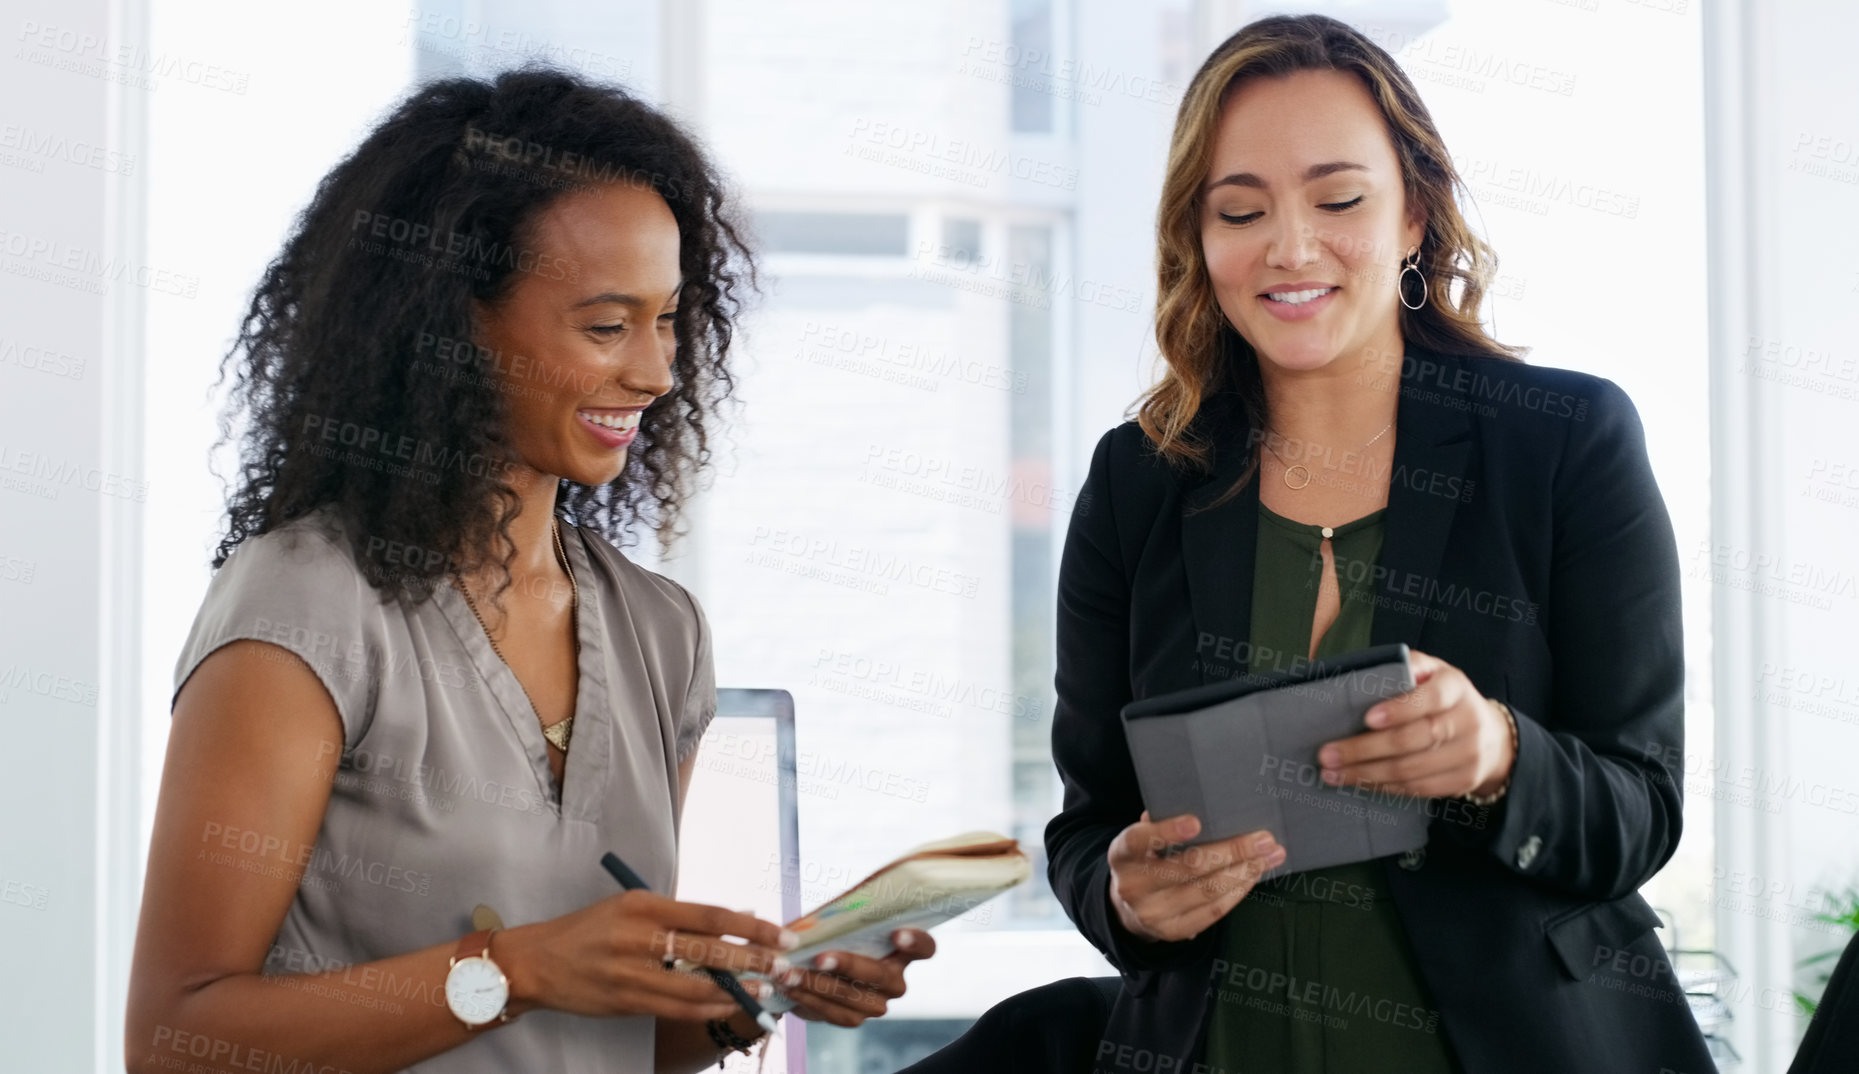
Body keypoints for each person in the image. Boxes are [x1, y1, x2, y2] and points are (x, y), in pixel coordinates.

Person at [124, 68, 933, 1074]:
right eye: (606, 325)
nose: (655, 371)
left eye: (669, 319)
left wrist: (748, 997)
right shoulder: (307, 605)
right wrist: (514, 970)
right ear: (455, 326)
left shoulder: (659, 631)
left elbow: (635, 1045)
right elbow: (175, 1039)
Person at [1045, 15, 1716, 1074]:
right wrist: (1124, 893)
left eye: (1338, 199)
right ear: (1197, 237)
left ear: (1412, 213)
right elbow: (1087, 829)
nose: (1290, 246)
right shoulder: (1137, 479)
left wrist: (1499, 755)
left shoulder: (1562, 442)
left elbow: (1642, 806)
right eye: (1239, 209)